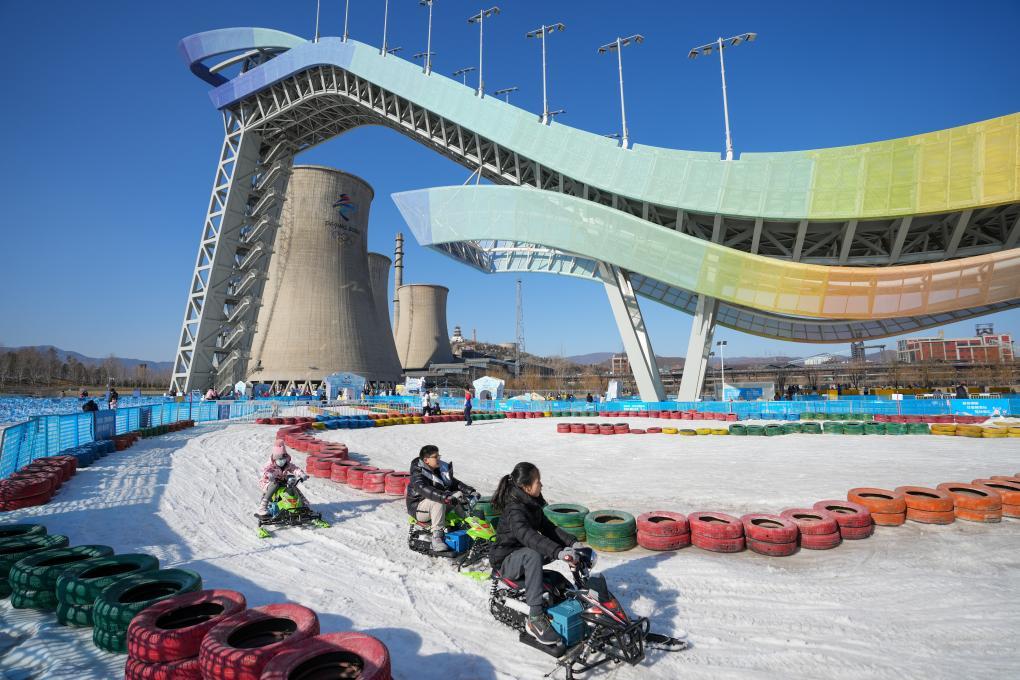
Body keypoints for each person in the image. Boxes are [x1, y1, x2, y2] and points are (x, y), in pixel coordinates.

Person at [490, 462, 584, 646]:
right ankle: (535, 618)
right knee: (534, 552)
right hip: (506, 562)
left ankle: (577, 599)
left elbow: (548, 528)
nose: (541, 485)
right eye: (538, 482)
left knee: (556, 580)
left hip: (522, 556)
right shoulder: (515, 509)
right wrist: (558, 552)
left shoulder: (531, 504)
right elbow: (528, 535)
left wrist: (573, 543)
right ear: (526, 487)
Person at [406, 444, 477, 552]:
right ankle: (437, 536)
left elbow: (454, 483)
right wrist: (443, 496)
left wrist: (470, 491)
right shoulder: (417, 474)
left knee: (458, 494)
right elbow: (423, 488)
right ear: (426, 460)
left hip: (438, 502)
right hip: (419, 508)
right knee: (438, 501)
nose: (439, 459)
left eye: (439, 456)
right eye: (436, 457)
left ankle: (467, 525)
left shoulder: (438, 469)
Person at [256, 443, 308, 518]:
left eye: (283, 459)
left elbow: (294, 469)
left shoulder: (287, 464)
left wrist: (302, 474)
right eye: (279, 459)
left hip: (281, 481)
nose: (282, 461)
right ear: (275, 459)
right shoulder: (270, 465)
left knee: (292, 486)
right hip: (269, 482)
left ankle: (302, 503)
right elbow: (264, 470)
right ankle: (262, 507)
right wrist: (269, 475)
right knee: (275, 485)